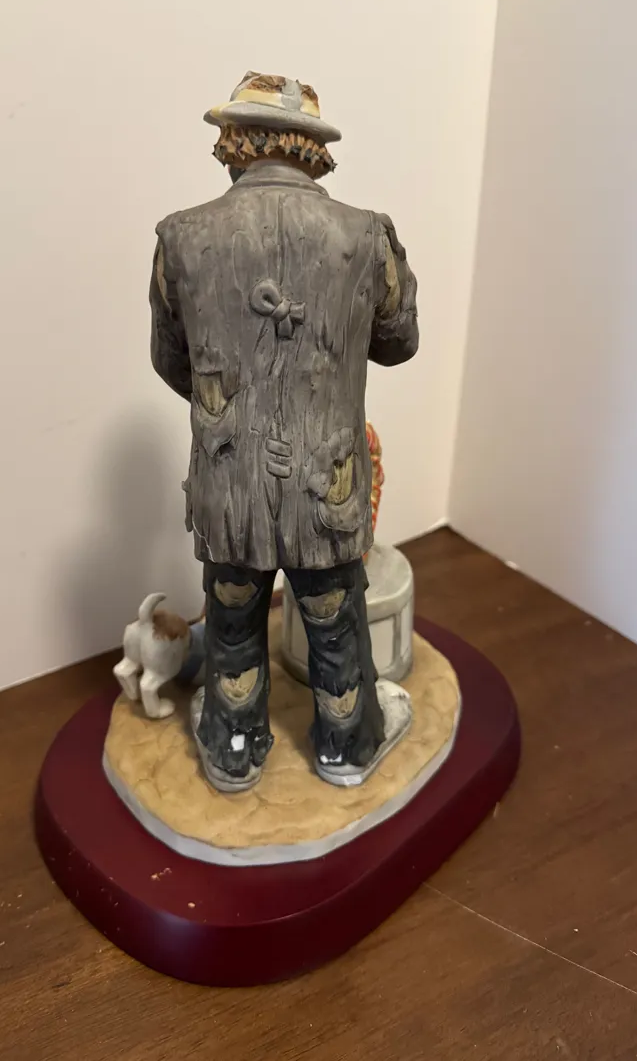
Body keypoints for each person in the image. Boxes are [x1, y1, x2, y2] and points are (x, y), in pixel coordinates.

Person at [150, 72, 419, 791]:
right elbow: (400, 342)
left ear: (236, 142)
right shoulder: (366, 234)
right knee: (334, 618)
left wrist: (235, 415)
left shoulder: (180, 237)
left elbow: (171, 361)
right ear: (314, 150)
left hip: (229, 480)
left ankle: (234, 745)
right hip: (325, 480)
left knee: (233, 614)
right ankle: (346, 744)